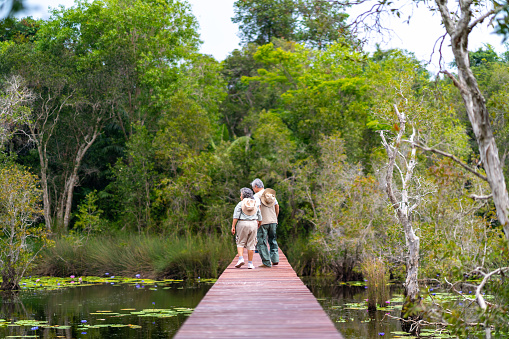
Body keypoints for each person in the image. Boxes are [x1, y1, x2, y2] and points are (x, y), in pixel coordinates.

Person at [251, 178, 279, 268]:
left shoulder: (256, 196)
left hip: (263, 222)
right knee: (272, 239)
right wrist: (275, 217)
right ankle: (275, 260)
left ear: (256, 186)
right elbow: (277, 206)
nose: (253, 190)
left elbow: (258, 208)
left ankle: (266, 262)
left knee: (261, 241)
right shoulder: (270, 194)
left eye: (253, 188)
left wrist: (259, 220)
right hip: (273, 220)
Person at [231, 187, 262, 269]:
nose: (240, 197)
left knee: (240, 242)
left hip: (242, 223)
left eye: (241, 195)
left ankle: (241, 259)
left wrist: (233, 226)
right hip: (253, 223)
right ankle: (250, 264)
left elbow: (236, 216)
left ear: (244, 196)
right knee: (251, 244)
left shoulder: (240, 204)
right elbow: (260, 216)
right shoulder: (255, 203)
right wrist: (259, 224)